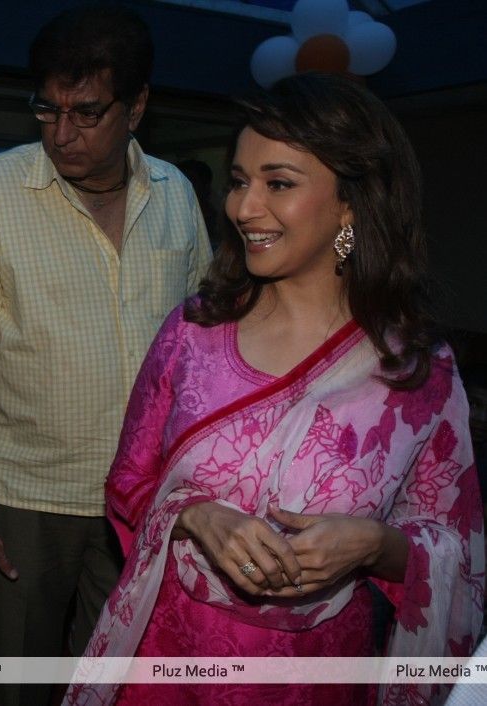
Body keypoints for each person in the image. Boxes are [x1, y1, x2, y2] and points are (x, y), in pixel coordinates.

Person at [66, 73, 485, 706]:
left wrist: (373, 545)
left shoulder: (415, 371)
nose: (242, 208)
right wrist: (196, 516)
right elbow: (128, 482)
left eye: (278, 184)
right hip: (168, 660)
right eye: (238, 180)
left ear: (352, 202)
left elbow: (460, 556)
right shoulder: (195, 332)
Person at [0, 6, 211, 705]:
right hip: (22, 500)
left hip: (138, 500)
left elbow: (200, 348)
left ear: (135, 106)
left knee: (111, 686)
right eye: (46, 111)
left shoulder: (175, 195)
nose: (62, 133)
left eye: (86, 113)